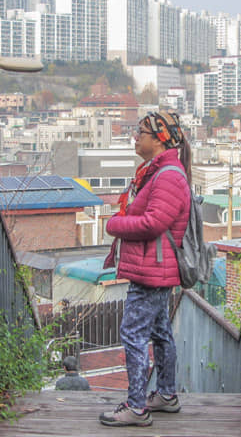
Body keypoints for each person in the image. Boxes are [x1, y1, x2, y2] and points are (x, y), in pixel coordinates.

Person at [99, 111, 191, 427]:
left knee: (133, 333)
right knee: (159, 331)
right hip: (156, 265)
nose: (135, 138)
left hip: (152, 268)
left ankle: (137, 406)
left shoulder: (167, 176)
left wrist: (115, 224)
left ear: (159, 138)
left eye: (141, 132)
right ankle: (165, 394)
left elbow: (154, 222)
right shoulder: (160, 172)